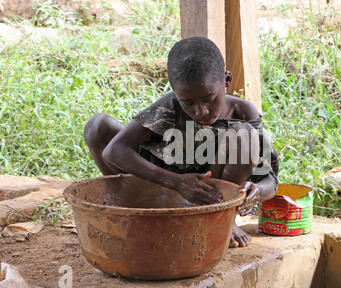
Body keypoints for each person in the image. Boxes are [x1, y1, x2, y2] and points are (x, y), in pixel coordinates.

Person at [83, 37, 279, 248]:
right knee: (97, 126)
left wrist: (256, 191)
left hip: (210, 196)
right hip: (163, 187)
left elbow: (270, 182)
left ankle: (223, 220)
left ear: (226, 80)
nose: (200, 111)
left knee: (245, 134)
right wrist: (176, 182)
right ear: (176, 92)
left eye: (209, 99)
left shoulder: (243, 113)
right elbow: (113, 150)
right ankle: (133, 208)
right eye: (188, 103)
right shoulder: (170, 106)